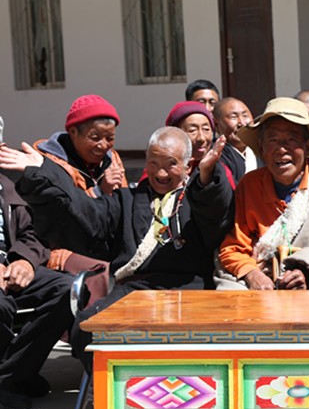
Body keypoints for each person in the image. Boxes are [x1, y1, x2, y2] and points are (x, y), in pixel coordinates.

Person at [3, 127, 233, 372]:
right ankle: (109, 390)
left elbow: (216, 212)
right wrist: (43, 173)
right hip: (133, 293)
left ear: (188, 167)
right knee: (88, 327)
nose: (161, 173)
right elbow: (83, 212)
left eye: (171, 164)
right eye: (153, 163)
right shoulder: (126, 200)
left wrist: (207, 177)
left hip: (191, 291)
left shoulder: (198, 199)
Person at [219, 98, 309, 290]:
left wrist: (308, 272)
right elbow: (233, 248)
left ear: (308, 146)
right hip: (261, 286)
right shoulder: (249, 186)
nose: (282, 149)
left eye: (292, 139)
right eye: (273, 140)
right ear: (261, 147)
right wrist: (253, 275)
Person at [31, 95, 127, 300]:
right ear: (73, 132)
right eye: (95, 137)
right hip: (61, 251)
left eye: (110, 138)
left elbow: (125, 206)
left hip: (106, 244)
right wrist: (100, 191)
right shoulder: (49, 165)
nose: (103, 145)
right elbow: (66, 216)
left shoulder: (112, 159)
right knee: (102, 277)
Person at [0, 171, 74, 409]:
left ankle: (15, 372)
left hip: (9, 265)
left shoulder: (7, 187)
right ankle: (13, 378)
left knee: (67, 291)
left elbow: (32, 234)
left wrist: (24, 261)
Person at [214, 97, 261, 184]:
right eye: (233, 117)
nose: (242, 123)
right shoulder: (216, 157)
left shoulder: (262, 152)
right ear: (216, 125)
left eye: (245, 116)